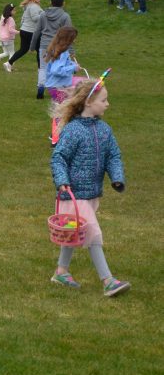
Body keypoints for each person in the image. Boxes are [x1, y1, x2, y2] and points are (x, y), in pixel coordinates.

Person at [49, 79, 129, 296]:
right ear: (89, 102)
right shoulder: (73, 131)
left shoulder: (104, 130)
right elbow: (59, 158)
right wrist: (62, 181)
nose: (107, 104)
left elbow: (113, 155)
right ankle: (108, 280)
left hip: (92, 194)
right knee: (92, 233)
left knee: (76, 232)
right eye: (104, 100)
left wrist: (117, 178)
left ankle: (61, 272)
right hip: (73, 194)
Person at [30, 0, 72, 100]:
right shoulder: (65, 16)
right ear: (63, 3)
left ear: (50, 2)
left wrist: (32, 46)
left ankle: (41, 87)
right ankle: (58, 90)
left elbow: (37, 31)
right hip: (59, 47)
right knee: (57, 68)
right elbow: (69, 35)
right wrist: (71, 51)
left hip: (44, 46)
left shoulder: (43, 14)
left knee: (43, 68)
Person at [5, 0, 43, 73]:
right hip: (31, 32)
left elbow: (23, 19)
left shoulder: (29, 5)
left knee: (23, 49)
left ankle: (8, 63)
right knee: (40, 49)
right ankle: (41, 69)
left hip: (24, 31)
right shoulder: (33, 6)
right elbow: (35, 18)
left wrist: (23, 26)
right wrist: (44, 15)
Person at [0, 3, 17, 70]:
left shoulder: (3, 17)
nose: (15, 12)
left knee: (6, 52)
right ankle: (10, 66)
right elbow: (11, 30)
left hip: (2, 38)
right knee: (12, 53)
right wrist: (19, 32)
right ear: (9, 11)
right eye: (14, 10)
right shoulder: (11, 19)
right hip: (9, 39)